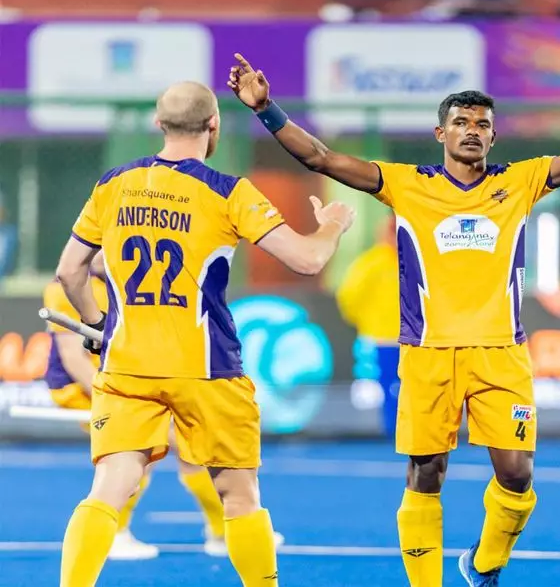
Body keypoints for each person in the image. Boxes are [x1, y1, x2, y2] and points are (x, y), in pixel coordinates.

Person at [228, 52, 560, 587]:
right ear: (440, 133)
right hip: (428, 355)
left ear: (492, 136)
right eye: (462, 122)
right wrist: (266, 110)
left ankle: (484, 562)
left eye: (482, 124)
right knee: (426, 473)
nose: (472, 130)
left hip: (501, 355)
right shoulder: (405, 184)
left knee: (518, 477)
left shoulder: (521, 181)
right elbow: (321, 157)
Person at [55, 80, 354, 587]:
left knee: (108, 489)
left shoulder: (113, 184)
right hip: (208, 370)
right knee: (240, 498)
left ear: (158, 123)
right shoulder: (228, 191)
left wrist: (99, 326)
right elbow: (308, 260)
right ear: (214, 125)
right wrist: (333, 225)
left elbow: (70, 272)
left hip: (128, 367)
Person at [44, 251, 285, 559]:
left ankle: (219, 532)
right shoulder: (68, 286)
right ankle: (118, 534)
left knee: (188, 445)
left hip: (130, 382)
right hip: (84, 389)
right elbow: (73, 360)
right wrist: (115, 396)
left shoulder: (132, 284)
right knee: (144, 448)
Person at [335, 214, 401, 437]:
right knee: (382, 388)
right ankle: (387, 431)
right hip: (381, 339)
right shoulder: (371, 263)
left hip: (412, 340)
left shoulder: (414, 261)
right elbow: (349, 297)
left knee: (404, 389)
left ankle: (399, 432)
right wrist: (366, 323)